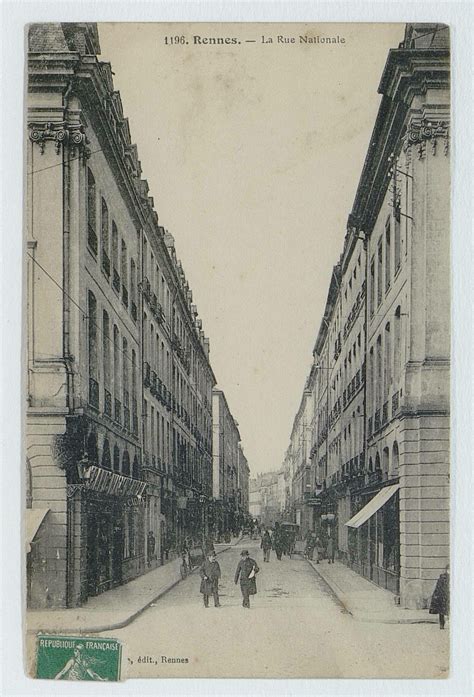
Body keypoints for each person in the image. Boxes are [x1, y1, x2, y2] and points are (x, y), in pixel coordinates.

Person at [429, 564, 449, 629]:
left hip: (449, 596)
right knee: (441, 612)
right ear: (446, 570)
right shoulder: (442, 577)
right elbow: (438, 587)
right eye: (449, 570)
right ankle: (442, 624)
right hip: (442, 596)